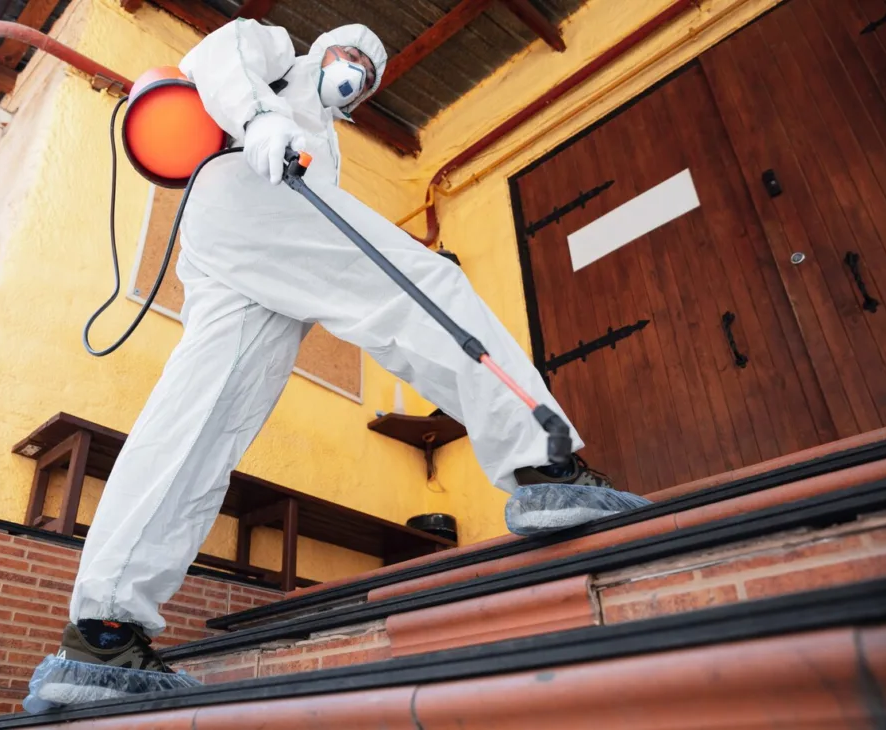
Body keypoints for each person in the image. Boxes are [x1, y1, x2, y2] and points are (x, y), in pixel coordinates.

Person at [56, 19, 650, 676]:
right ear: (323, 48)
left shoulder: (328, 145)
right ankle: (544, 466)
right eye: (349, 57)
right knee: (423, 282)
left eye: (366, 77)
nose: (354, 74)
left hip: (237, 242)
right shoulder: (279, 56)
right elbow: (221, 48)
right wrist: (257, 119)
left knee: (202, 415)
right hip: (246, 191)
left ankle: (103, 632)